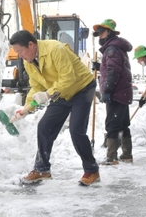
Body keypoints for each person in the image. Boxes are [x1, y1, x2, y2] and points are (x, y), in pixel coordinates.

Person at [10, 30, 100, 185]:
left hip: (81, 88)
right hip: (60, 93)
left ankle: (92, 170)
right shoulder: (28, 62)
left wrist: (47, 95)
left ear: (31, 45)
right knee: (44, 126)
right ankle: (42, 169)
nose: (20, 56)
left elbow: (68, 78)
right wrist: (26, 108)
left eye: (20, 51)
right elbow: (36, 86)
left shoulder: (56, 49)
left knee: (76, 130)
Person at [91, 19, 133, 165]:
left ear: (109, 32)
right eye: (98, 33)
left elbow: (113, 71)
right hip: (123, 92)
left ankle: (112, 157)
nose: (99, 36)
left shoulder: (112, 49)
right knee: (122, 124)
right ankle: (126, 154)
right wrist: (99, 65)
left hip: (116, 92)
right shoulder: (116, 48)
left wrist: (107, 90)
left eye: (101, 32)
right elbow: (111, 67)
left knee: (112, 125)